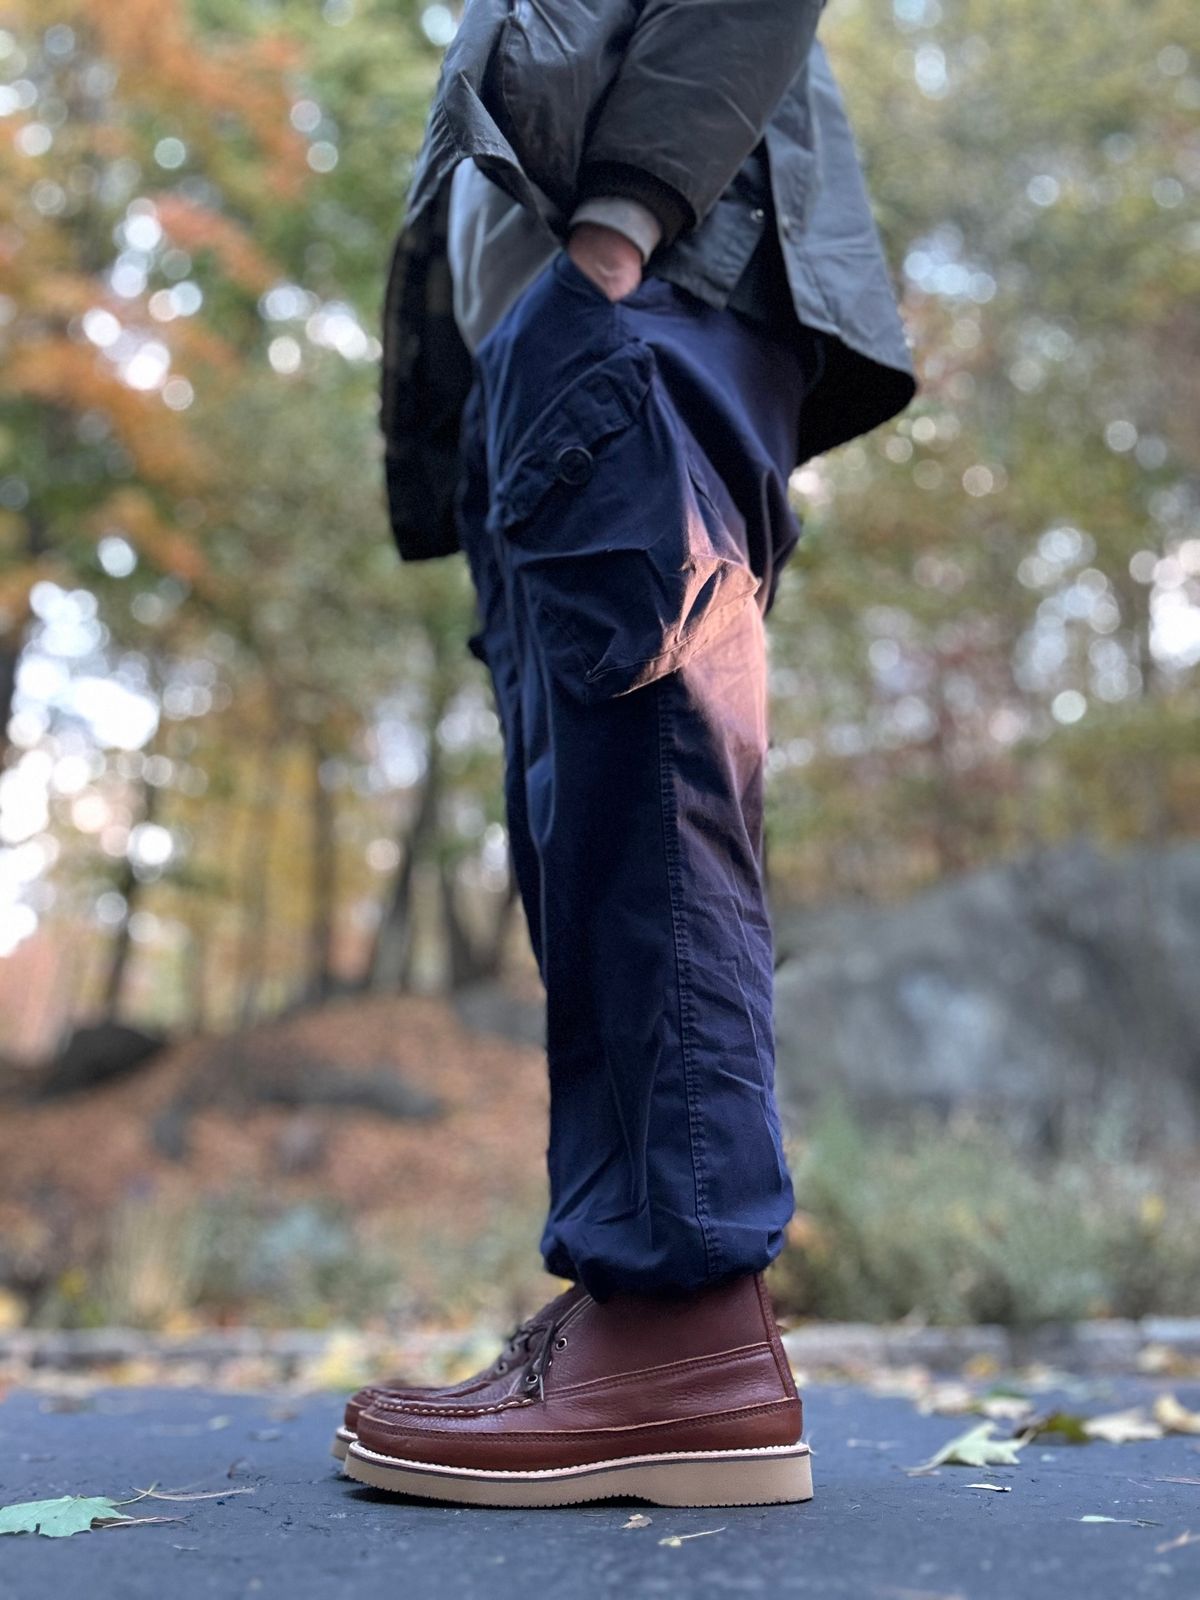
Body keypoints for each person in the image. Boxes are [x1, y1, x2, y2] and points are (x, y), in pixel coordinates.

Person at [334, 0, 916, 1508]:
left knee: (650, 784)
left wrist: (615, 233)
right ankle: (636, 1309)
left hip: (635, 297)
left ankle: (684, 1334)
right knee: (587, 823)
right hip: (562, 340)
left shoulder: (620, 269)